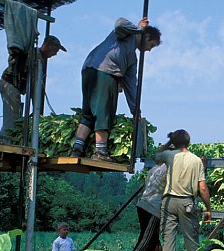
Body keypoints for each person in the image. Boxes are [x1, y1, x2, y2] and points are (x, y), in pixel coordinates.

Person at [69, 17, 161, 162]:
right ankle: (100, 151)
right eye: (151, 45)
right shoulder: (126, 34)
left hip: (89, 68)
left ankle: (77, 148)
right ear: (146, 36)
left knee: (88, 114)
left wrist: (135, 110)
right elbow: (119, 23)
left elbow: (131, 86)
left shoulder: (132, 59)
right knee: (104, 112)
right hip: (104, 71)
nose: (149, 50)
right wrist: (139, 29)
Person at [155, 129, 211, 251]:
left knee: (168, 241)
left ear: (175, 143)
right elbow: (203, 188)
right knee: (192, 242)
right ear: (189, 142)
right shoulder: (196, 160)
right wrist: (208, 208)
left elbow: (156, 156)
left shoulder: (169, 155)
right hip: (187, 203)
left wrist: (169, 142)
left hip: (169, 202)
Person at [0, 35, 67, 137]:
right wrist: (37, 110)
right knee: (13, 119)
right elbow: (34, 86)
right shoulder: (36, 57)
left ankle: (4, 139)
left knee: (13, 116)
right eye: (55, 50)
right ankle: (6, 141)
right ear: (49, 46)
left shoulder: (39, 56)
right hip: (10, 84)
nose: (56, 54)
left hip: (14, 86)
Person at [115, 162, 168, 251]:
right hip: (153, 208)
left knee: (152, 240)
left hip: (143, 204)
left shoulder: (155, 168)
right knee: (146, 241)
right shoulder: (169, 169)